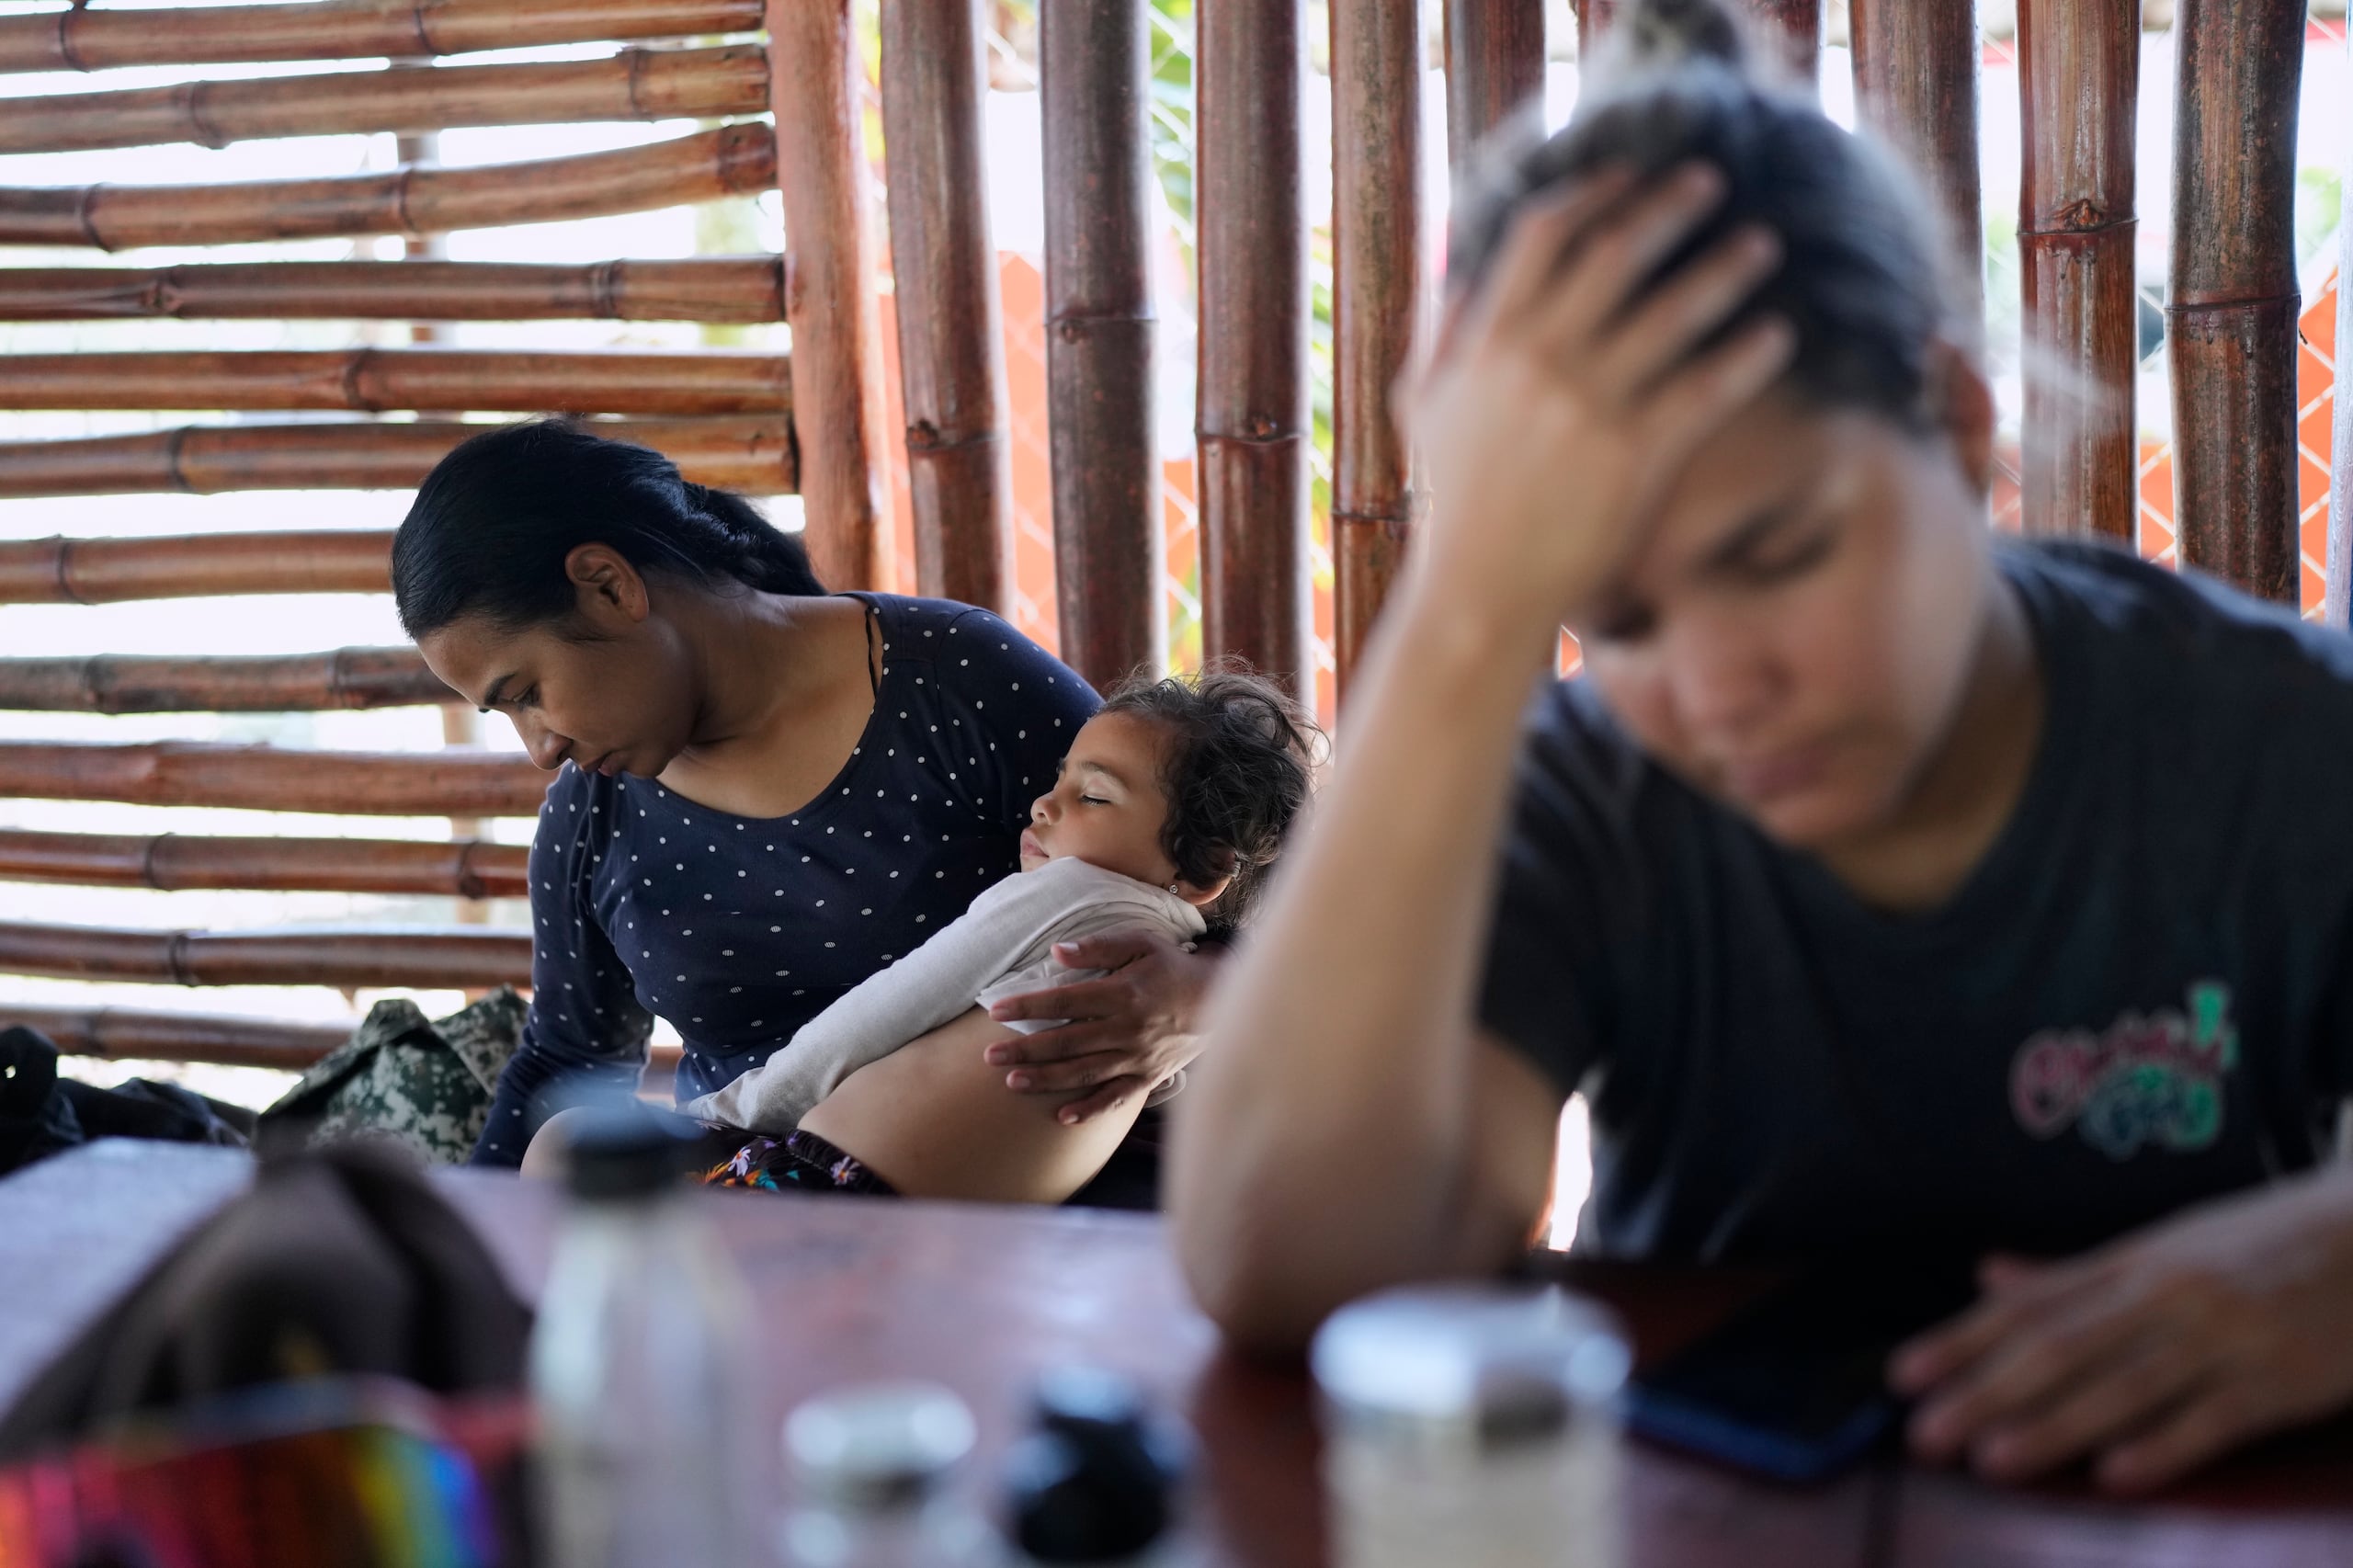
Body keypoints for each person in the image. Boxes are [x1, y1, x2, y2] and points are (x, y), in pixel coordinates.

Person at [1170, 0, 2353, 1496]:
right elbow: (1282, 1264)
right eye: (1615, 614)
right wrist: (1466, 605)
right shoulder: (1587, 790)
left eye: (1776, 554)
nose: (1721, 690)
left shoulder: (2273, 736)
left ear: (1958, 424)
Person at [393, 419, 1217, 1201]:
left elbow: (1232, 883)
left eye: (527, 693)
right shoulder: (590, 821)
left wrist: (1196, 998)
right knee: (564, 1145)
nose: (539, 748)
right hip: (745, 1196)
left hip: (1032, 1203)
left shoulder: (956, 682)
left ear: (609, 587)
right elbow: (568, 1059)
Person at [523, 671, 1315, 1205]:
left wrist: (735, 1111)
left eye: (1093, 797)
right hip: (904, 1215)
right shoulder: (1173, 975)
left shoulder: (1076, 896)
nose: (1044, 805)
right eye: (1059, 780)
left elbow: (890, 1008)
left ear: (1205, 869)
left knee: (565, 1150)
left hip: (815, 1187)